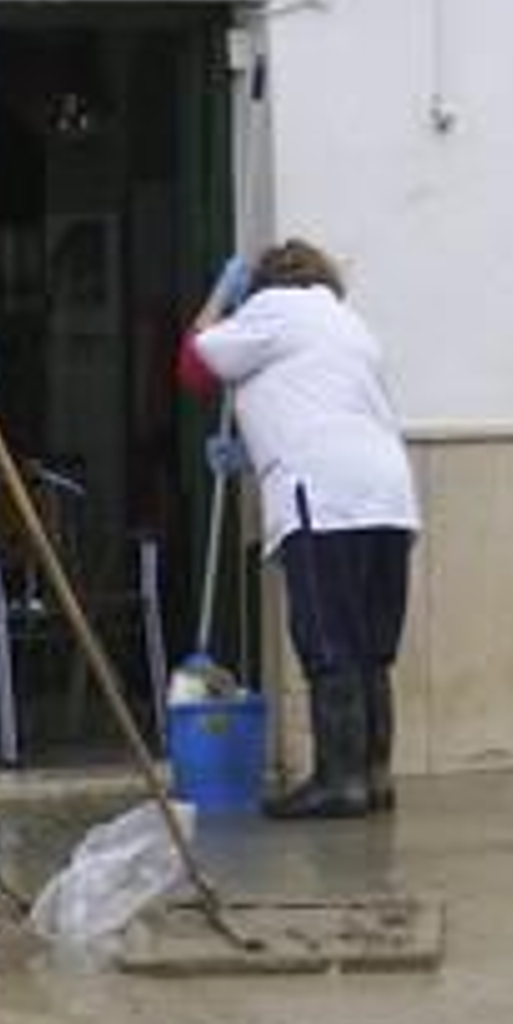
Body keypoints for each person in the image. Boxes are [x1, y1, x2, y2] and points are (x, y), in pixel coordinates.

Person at [179, 238, 419, 820]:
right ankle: (374, 776)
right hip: (388, 497)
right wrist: (250, 451)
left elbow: (194, 366)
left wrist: (218, 299)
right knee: (371, 646)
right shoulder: (347, 323)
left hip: (324, 495)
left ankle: (339, 783)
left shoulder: (272, 311)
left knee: (329, 640)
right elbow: (317, 401)